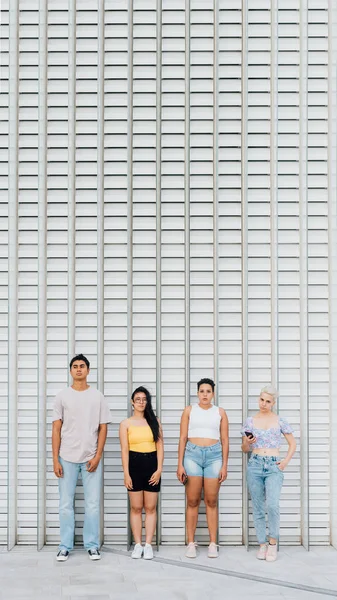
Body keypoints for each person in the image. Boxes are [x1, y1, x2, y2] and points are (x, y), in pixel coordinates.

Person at [52, 354, 111, 562]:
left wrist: (97, 456)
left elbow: (103, 427)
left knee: (92, 504)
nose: (79, 369)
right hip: (66, 457)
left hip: (91, 459)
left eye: (82, 366)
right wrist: (55, 459)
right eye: (75, 366)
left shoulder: (97, 396)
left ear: (88, 370)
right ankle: (65, 546)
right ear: (70, 371)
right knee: (65, 504)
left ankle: (92, 545)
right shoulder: (62, 396)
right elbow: (56, 428)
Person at [241, 385, 296, 562]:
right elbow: (244, 449)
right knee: (257, 507)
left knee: (272, 505)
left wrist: (285, 461)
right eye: (261, 399)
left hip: (273, 466)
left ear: (273, 403)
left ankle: (273, 543)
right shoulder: (250, 421)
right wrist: (248, 443)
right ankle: (262, 544)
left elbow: (292, 444)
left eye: (268, 401)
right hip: (255, 464)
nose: (263, 404)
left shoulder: (279, 420)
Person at [176, 378, 229, 559]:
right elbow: (183, 438)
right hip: (192, 455)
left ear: (213, 393)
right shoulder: (189, 411)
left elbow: (225, 440)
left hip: (214, 456)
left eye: (208, 391)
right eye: (201, 391)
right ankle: (191, 542)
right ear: (197, 393)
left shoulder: (220, 412)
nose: (205, 394)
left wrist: (225, 465)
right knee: (192, 501)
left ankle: (213, 543)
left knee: (211, 500)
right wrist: (180, 464)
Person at [119, 386, 164, 560]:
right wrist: (126, 473)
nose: (141, 402)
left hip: (151, 464)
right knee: (136, 507)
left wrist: (159, 469)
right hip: (134, 465)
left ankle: (148, 544)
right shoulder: (126, 423)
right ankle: (138, 544)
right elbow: (124, 449)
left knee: (151, 507)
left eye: (144, 399)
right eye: (137, 399)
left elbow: (160, 446)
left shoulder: (155, 421)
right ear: (132, 402)